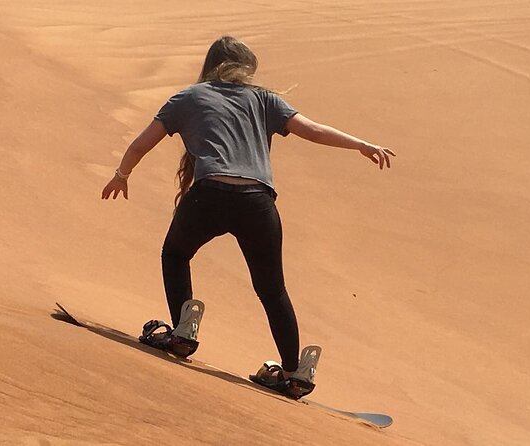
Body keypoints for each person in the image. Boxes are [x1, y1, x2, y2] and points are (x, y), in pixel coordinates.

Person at [102, 36, 395, 397]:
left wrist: (122, 174)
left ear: (211, 66)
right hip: (258, 203)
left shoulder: (188, 97)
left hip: (209, 196)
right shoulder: (265, 99)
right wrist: (361, 145)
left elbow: (141, 143)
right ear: (245, 69)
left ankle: (183, 331)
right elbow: (312, 129)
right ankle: (293, 372)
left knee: (176, 254)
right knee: (272, 289)